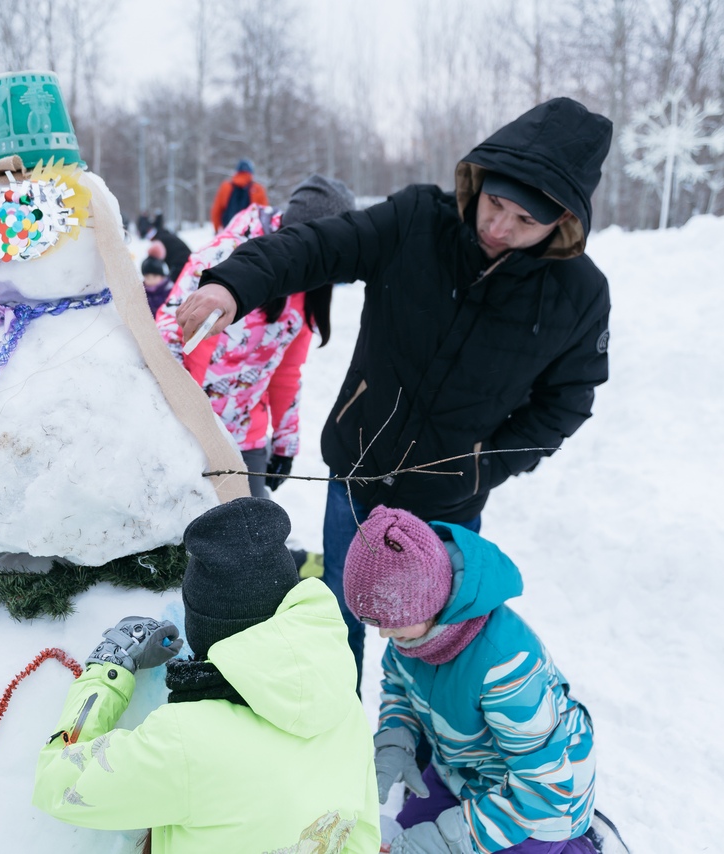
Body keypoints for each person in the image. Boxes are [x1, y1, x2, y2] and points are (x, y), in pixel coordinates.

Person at [175, 98, 613, 687]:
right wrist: (234, 283)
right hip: (356, 479)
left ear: (561, 222)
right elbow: (315, 247)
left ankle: (423, 748)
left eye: (524, 222)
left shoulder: (579, 294)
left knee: (433, 640)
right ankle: (339, 733)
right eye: (495, 203)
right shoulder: (416, 221)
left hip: (448, 505)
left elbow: (569, 399)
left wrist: (485, 466)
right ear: (478, 182)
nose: (498, 227)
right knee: (338, 614)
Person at [32, 497, 380, 853]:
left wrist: (109, 669)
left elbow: (58, 784)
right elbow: (362, 836)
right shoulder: (341, 702)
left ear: (203, 629)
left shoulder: (185, 739)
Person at [345, 506, 597, 854]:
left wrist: (449, 840)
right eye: (374, 623)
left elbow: (544, 790)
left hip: (539, 802)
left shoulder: (505, 664)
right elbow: (399, 688)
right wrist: (395, 740)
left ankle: (579, 845)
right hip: (459, 771)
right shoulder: (410, 635)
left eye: (393, 621)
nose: (385, 633)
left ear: (429, 602)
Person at [158, 175, 354, 506]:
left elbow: (287, 370)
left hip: (247, 439)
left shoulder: (311, 280)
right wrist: (181, 429)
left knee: (251, 545)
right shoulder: (225, 256)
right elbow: (170, 341)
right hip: (188, 434)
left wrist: (284, 442)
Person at [210, 158, 268, 230]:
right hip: (251, 232)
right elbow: (265, 213)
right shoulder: (258, 188)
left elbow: (216, 210)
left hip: (228, 231)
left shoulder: (226, 187)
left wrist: (217, 229)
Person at [137, 211, 191, 283]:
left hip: (182, 265)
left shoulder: (160, 240)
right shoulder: (163, 234)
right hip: (188, 261)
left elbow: (155, 257)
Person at [140, 242, 172, 315]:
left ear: (162, 276)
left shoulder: (169, 291)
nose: (151, 280)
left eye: (154, 276)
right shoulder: (142, 293)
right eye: (147, 277)